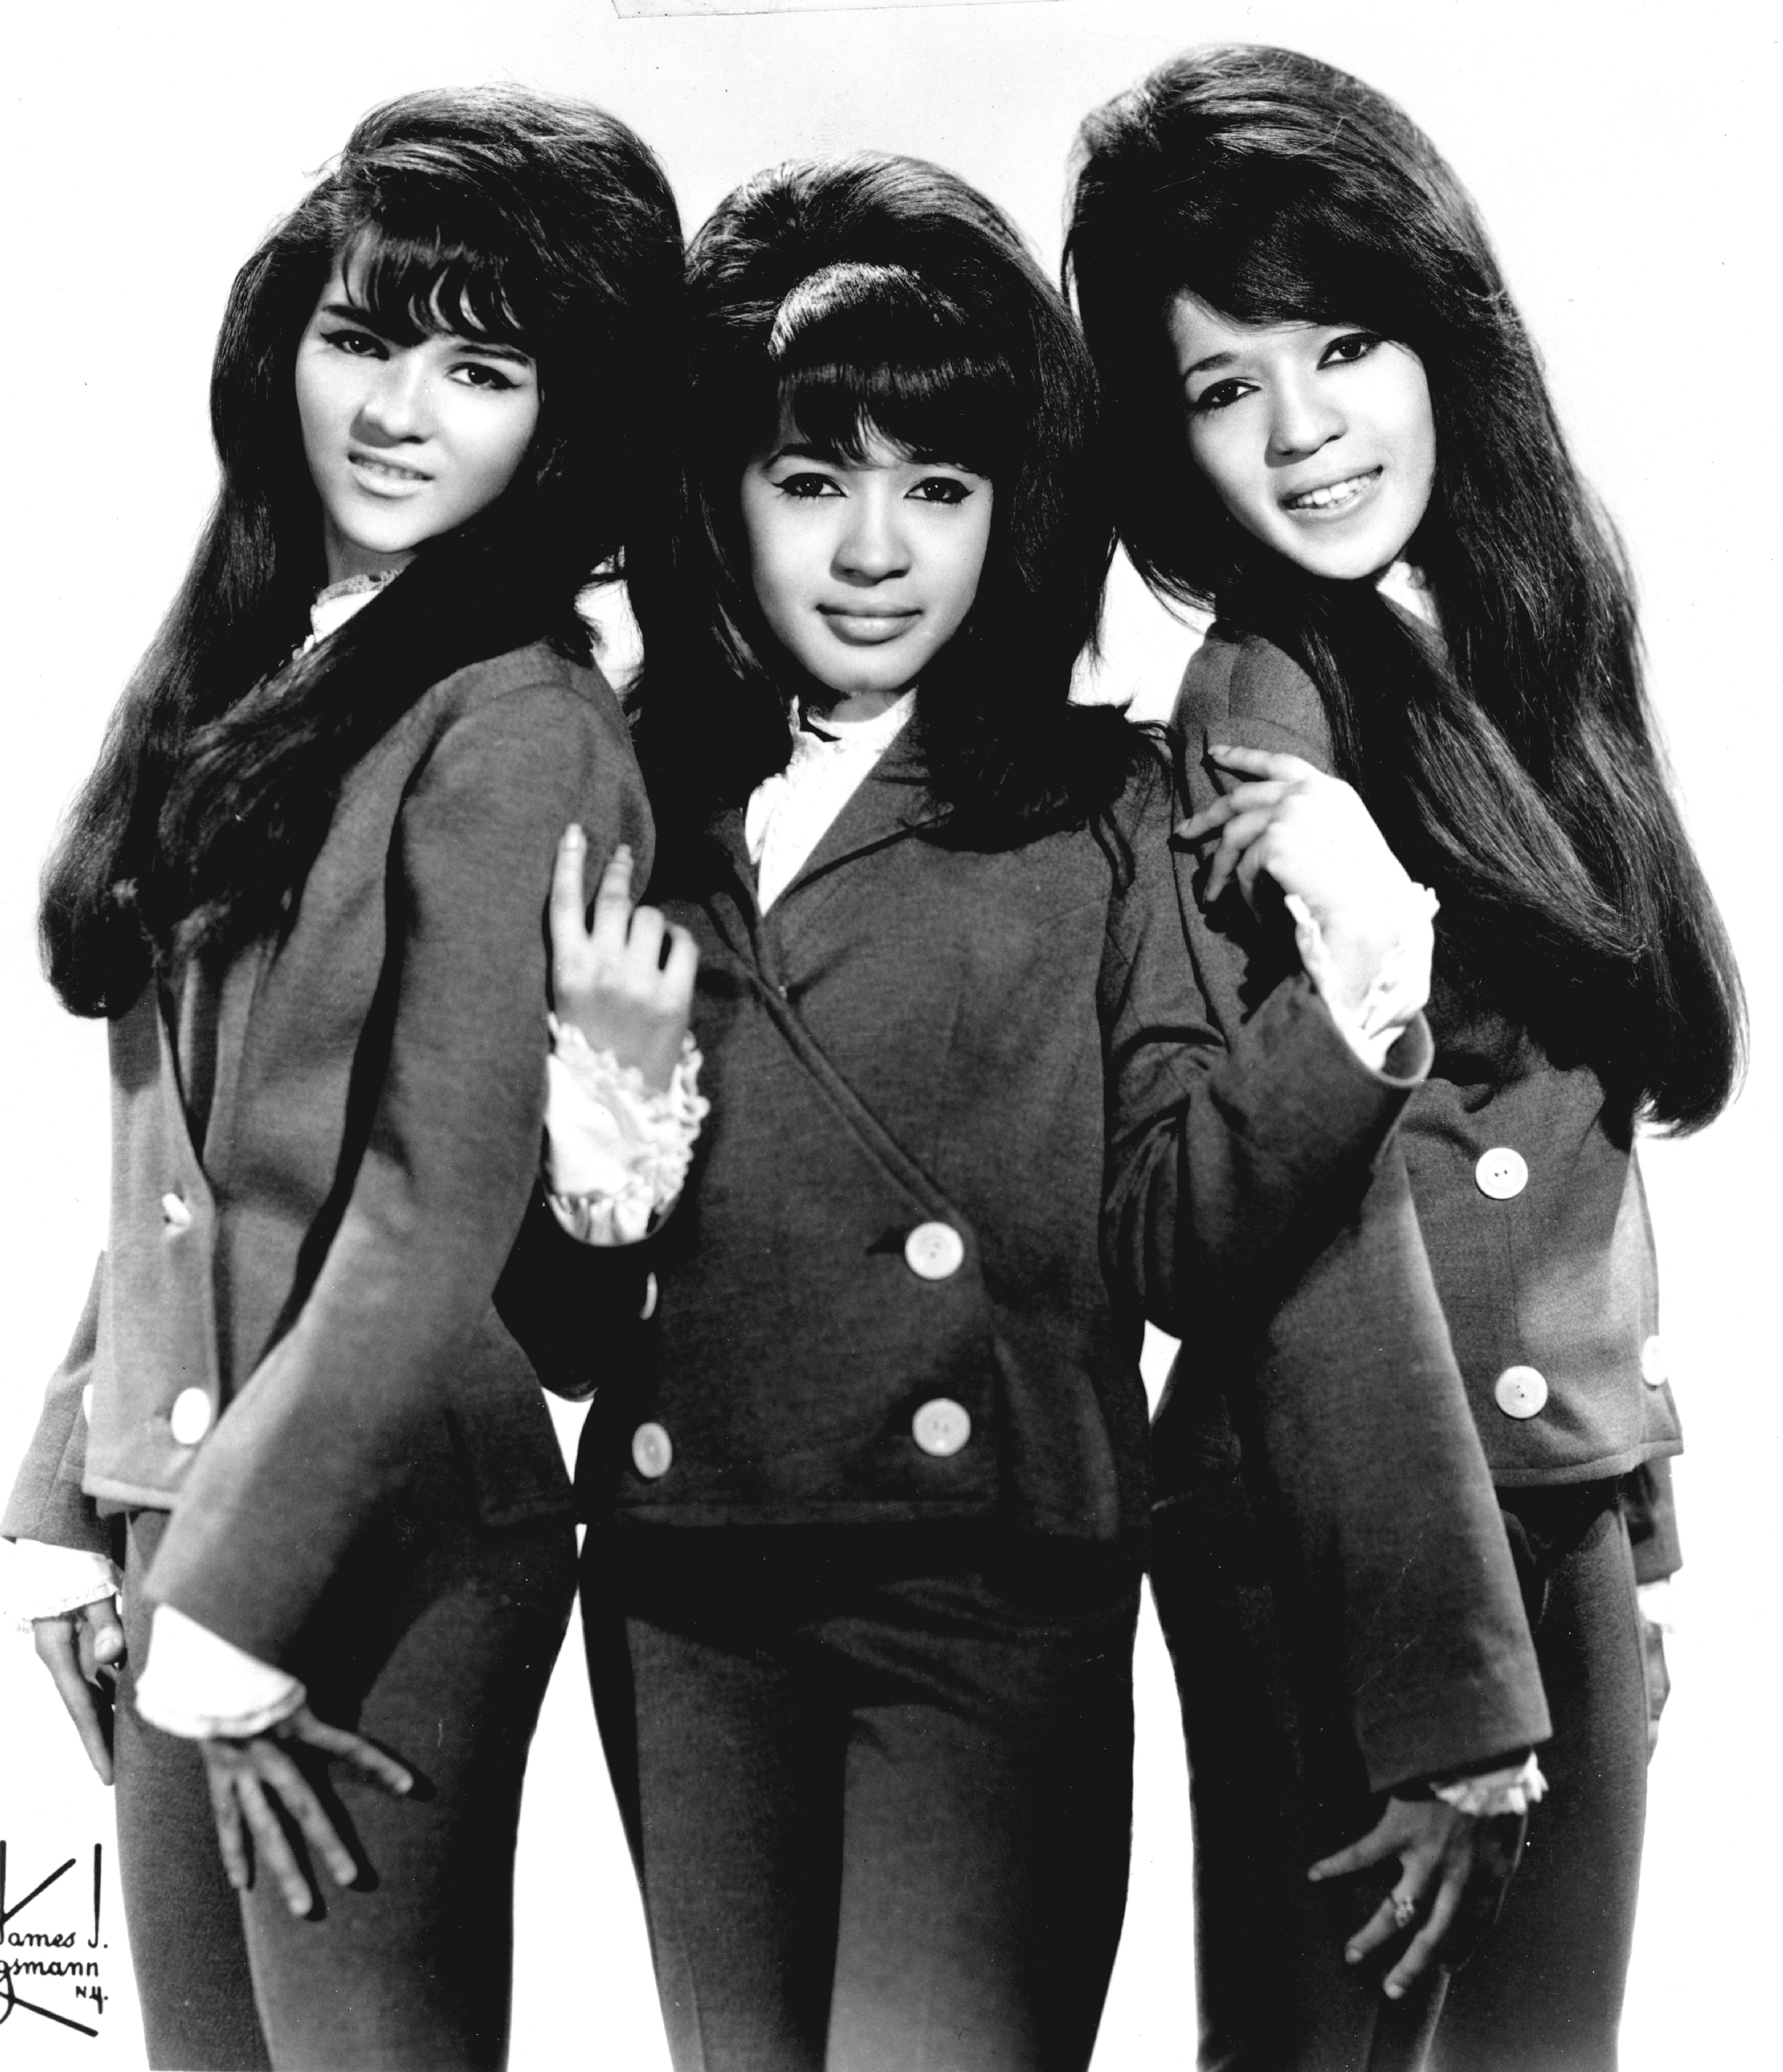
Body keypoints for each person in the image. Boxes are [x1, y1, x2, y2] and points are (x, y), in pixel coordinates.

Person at [514, 149, 1546, 2072]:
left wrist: (1356, 988)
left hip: (988, 1586)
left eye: (939, 484)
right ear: (720, 492)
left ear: (1018, 507)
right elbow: (559, 1337)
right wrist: (609, 1103)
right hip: (679, 1585)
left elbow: (1187, 1237)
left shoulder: (1103, 811)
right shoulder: (622, 797)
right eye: (813, 480)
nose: (874, 548)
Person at [1065, 43, 1745, 2072]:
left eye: (1338, 345)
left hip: (1549, 1500)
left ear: (1437, 330)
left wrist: (1633, 1520)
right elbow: (1305, 1242)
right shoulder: (1257, 703)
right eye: (1217, 384)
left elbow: (1586, 1123)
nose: (1298, 433)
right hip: (1342, 1537)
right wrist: (1448, 1677)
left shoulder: (1528, 625)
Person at [3, 88, 688, 2071]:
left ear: (564, 424)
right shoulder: (264, 669)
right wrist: (69, 1493)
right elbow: (183, 1170)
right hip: (186, 1499)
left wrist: (219, 1595)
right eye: (365, 338)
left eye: (480, 367)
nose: (398, 409)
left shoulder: (523, 722)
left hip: (390, 1528)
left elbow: (431, 1205)